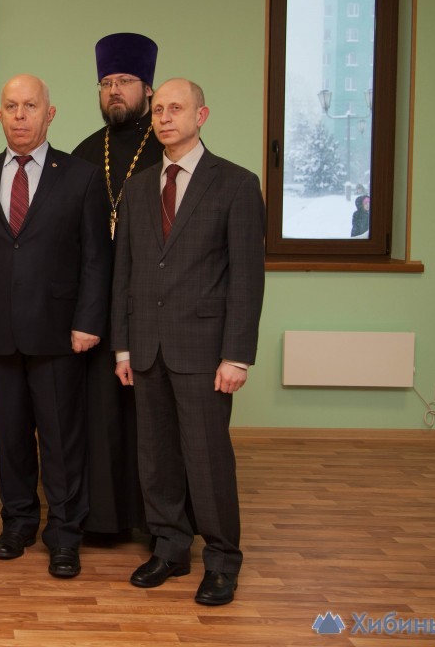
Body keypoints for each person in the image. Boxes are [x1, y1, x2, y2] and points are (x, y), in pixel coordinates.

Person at [112, 78, 265, 606]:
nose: (164, 117)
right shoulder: (138, 189)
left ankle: (222, 560)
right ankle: (170, 547)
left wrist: (237, 355)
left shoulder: (236, 185)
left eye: (175, 109)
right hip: (146, 347)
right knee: (155, 458)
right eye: (158, 110)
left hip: (204, 350)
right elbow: (125, 273)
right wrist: (123, 347)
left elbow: (247, 278)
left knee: (206, 459)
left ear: (201, 116)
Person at [0, 74, 110, 579]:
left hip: (60, 333)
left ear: (50, 113)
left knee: (61, 440)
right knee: (11, 437)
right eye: (11, 106)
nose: (20, 116)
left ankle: (64, 534)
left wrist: (88, 321)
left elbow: (96, 258)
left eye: (30, 106)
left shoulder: (83, 177)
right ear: (0, 115)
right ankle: (18, 522)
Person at [71, 33, 163, 540]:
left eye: (125, 81)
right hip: (98, 306)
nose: (114, 91)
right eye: (106, 83)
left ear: (147, 88)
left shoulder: (168, 149)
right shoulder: (86, 153)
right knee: (100, 415)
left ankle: (154, 522)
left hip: (152, 306)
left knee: (150, 417)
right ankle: (103, 519)